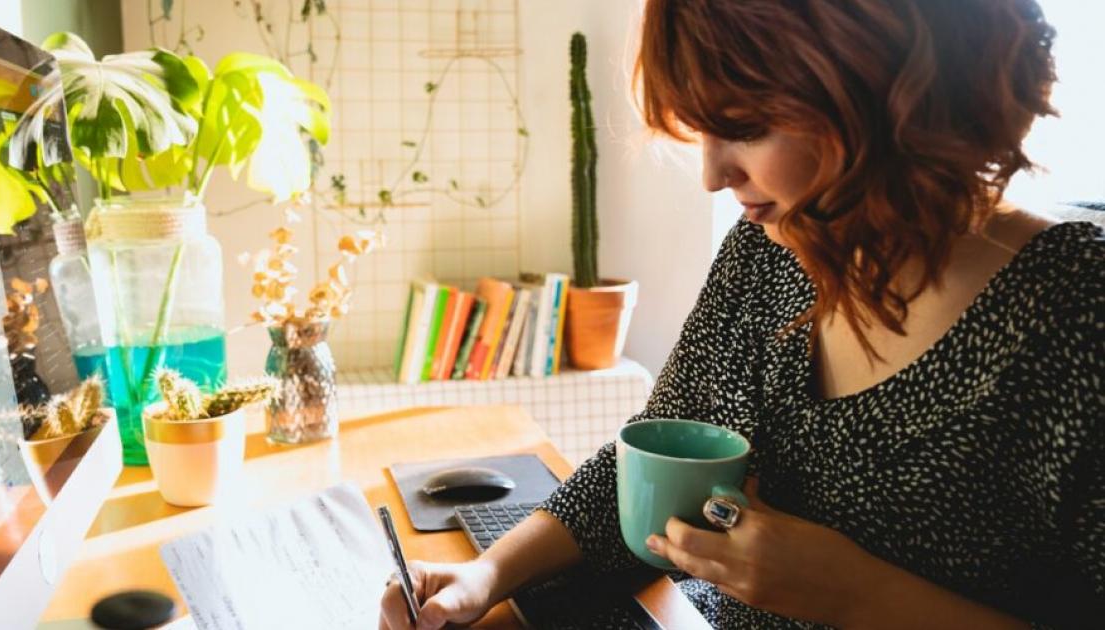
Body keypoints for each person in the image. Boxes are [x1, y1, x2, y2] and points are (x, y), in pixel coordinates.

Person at [379, 0, 1104, 628]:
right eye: (702, 131)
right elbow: (643, 469)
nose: (711, 175)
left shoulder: (1078, 312)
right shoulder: (771, 250)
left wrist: (856, 595)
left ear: (885, 93)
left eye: (746, 126)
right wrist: (485, 578)